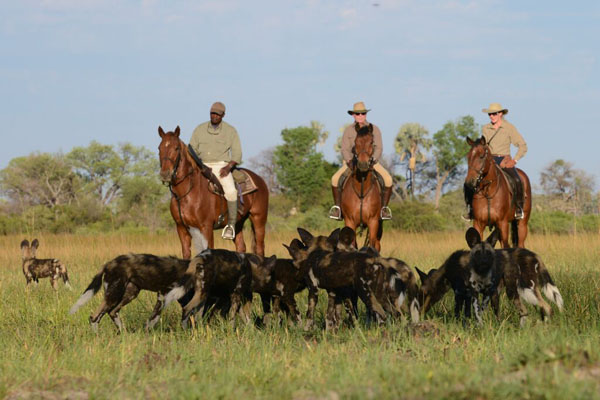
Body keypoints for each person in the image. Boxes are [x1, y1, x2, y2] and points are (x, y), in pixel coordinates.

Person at [329, 101, 394, 220]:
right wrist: (349, 161)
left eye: (362, 113)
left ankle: (384, 209)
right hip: (352, 163)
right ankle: (338, 209)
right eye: (357, 114)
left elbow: (379, 147)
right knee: (334, 179)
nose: (360, 116)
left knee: (388, 180)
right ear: (353, 115)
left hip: (372, 163)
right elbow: (344, 148)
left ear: (365, 114)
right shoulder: (348, 130)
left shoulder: (374, 129)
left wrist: (373, 160)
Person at [464, 102, 527, 220]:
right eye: (490, 114)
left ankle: (518, 208)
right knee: (470, 181)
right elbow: (484, 146)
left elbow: (522, 146)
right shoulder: (485, 128)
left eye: (494, 114)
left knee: (517, 180)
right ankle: (471, 209)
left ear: (501, 114)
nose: (491, 116)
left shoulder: (509, 128)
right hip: (489, 160)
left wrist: (514, 160)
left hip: (504, 159)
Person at [189, 101, 242, 240]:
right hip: (201, 165)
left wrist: (228, 167)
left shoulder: (231, 131)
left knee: (231, 191)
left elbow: (237, 154)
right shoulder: (199, 129)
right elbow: (192, 149)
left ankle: (230, 225)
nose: (214, 116)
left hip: (221, 166)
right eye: (212, 113)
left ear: (223, 115)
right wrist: (199, 165)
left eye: (217, 114)